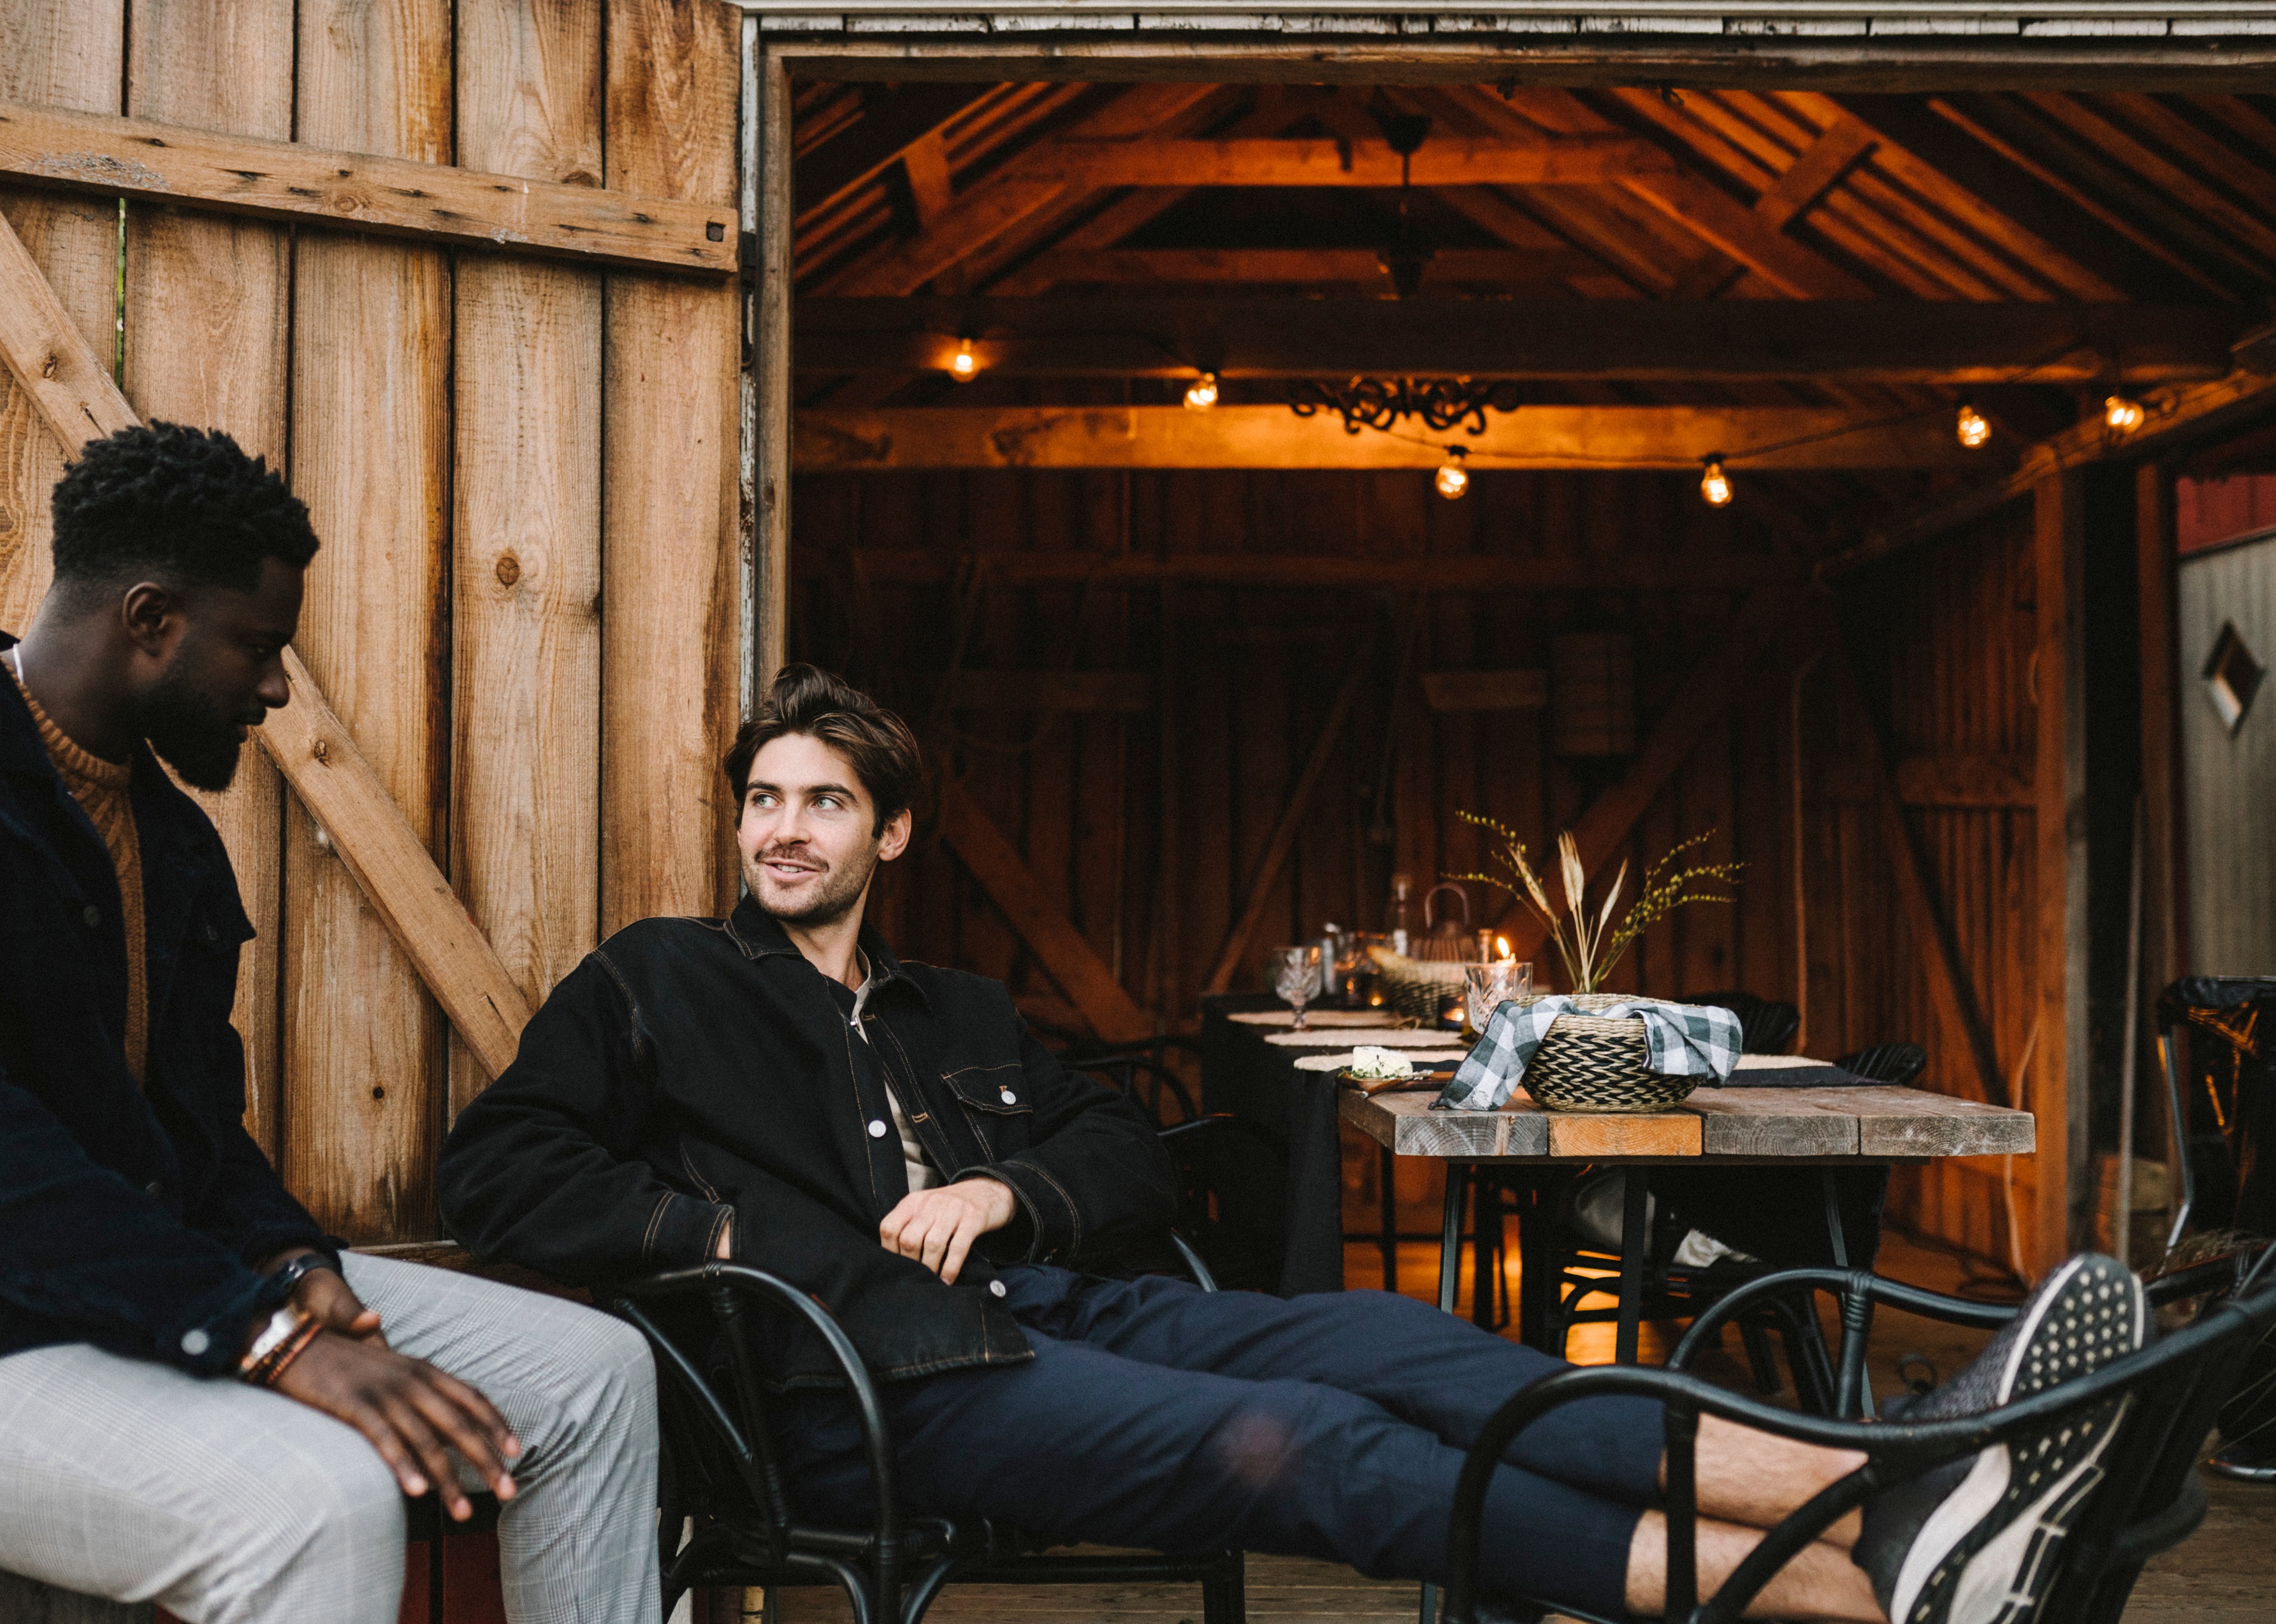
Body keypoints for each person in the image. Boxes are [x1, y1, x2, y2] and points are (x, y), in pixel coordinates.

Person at [439, 664, 2148, 1624]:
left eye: (818, 799)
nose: (780, 827)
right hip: (862, 1385)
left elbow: (1122, 1151)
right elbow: (501, 1168)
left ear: (889, 828)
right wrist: (734, 1242)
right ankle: (1841, 1587)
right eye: (761, 798)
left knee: (1416, 1344)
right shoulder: (657, 977)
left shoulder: (951, 1003)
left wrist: (1000, 1184)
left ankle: (1885, 1489)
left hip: (1066, 1302)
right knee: (1311, 1441)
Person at [0, 423, 659, 1624]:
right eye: (259, 646)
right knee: (314, 1502)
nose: (276, 687)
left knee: (592, 1376)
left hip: (88, 1289)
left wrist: (292, 1265)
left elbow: (200, 1141)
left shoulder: (166, 840)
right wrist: (261, 1335)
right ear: (150, 618)